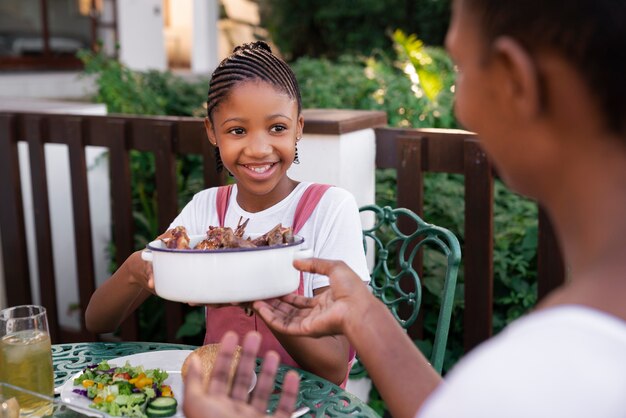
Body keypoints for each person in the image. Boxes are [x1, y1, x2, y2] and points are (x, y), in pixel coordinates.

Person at [184, 0, 626, 416]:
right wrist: (365, 316)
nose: (458, 105)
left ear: (515, 80)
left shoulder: (542, 377)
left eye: (459, 68)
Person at [84, 41, 370, 386]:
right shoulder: (206, 210)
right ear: (212, 133)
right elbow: (97, 320)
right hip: (217, 402)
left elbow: (334, 366)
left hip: (308, 405)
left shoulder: (329, 209)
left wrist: (260, 293)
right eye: (237, 130)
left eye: (277, 128)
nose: (258, 148)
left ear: (299, 127)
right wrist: (136, 267)